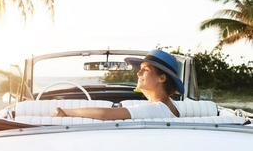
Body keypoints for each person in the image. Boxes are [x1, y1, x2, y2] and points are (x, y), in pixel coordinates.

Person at [54, 49, 184, 120]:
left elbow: (105, 115)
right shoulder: (172, 105)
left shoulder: (157, 109)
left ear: (161, 78)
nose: (138, 73)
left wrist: (65, 111)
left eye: (145, 70)